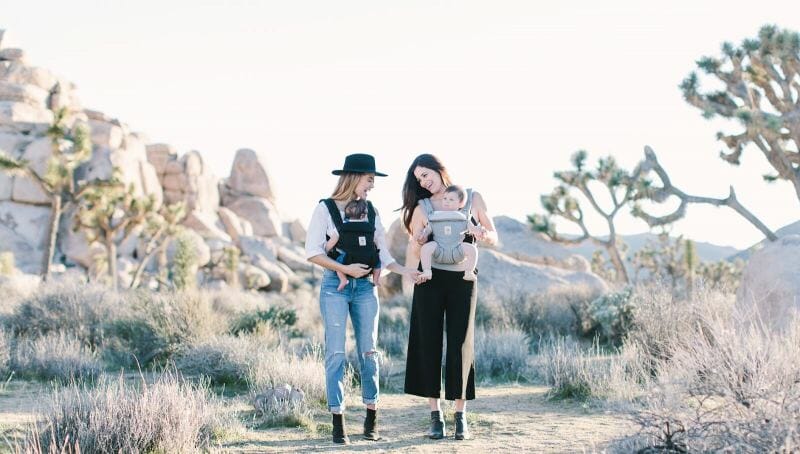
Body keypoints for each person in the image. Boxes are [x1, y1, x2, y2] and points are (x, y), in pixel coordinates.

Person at [305, 153, 420, 445]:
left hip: (366, 288)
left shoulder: (371, 211)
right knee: (336, 353)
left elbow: (384, 253)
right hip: (335, 287)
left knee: (369, 352)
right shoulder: (325, 209)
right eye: (369, 180)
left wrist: (407, 270)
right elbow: (313, 252)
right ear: (355, 177)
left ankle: (371, 418)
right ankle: (338, 421)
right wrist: (344, 269)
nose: (372, 186)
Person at [401, 154, 498, 441]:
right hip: (430, 279)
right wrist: (416, 255)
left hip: (463, 279)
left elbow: (493, 236)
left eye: (426, 175)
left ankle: (460, 416)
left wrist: (481, 233)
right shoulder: (422, 207)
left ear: (439, 170)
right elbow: (416, 246)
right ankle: (435, 416)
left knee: (460, 343)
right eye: (419, 179)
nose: (423, 182)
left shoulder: (472, 198)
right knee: (428, 342)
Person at [417, 184, 479, 282]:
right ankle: (427, 271)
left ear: (461, 203)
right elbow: (428, 229)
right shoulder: (435, 216)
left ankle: (469, 272)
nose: (446, 201)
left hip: (457, 251)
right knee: (426, 248)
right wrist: (423, 234)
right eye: (445, 198)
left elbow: (472, 228)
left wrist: (479, 231)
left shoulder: (463, 217)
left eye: (451, 199)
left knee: (472, 249)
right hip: (439, 250)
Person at [325, 199, 382, 291]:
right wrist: (377, 250)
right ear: (363, 215)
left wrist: (326, 250)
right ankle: (375, 280)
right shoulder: (370, 227)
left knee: (337, 264)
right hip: (369, 258)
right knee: (378, 264)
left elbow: (332, 242)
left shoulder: (341, 227)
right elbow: (375, 241)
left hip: (348, 258)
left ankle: (343, 280)